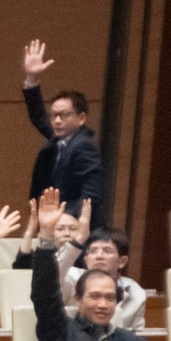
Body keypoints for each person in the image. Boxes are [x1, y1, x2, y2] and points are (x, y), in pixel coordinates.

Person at [30, 196, 147, 341]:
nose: (103, 304)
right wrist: (46, 235)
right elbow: (44, 292)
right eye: (95, 296)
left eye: (110, 298)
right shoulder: (61, 330)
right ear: (78, 299)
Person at [21, 38, 105, 228]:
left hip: (75, 227)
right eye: (54, 115)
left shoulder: (84, 145)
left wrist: (62, 218)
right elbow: (38, 116)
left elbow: (90, 195)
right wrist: (31, 78)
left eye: (64, 115)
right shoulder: (61, 138)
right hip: (55, 223)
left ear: (81, 118)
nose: (57, 121)